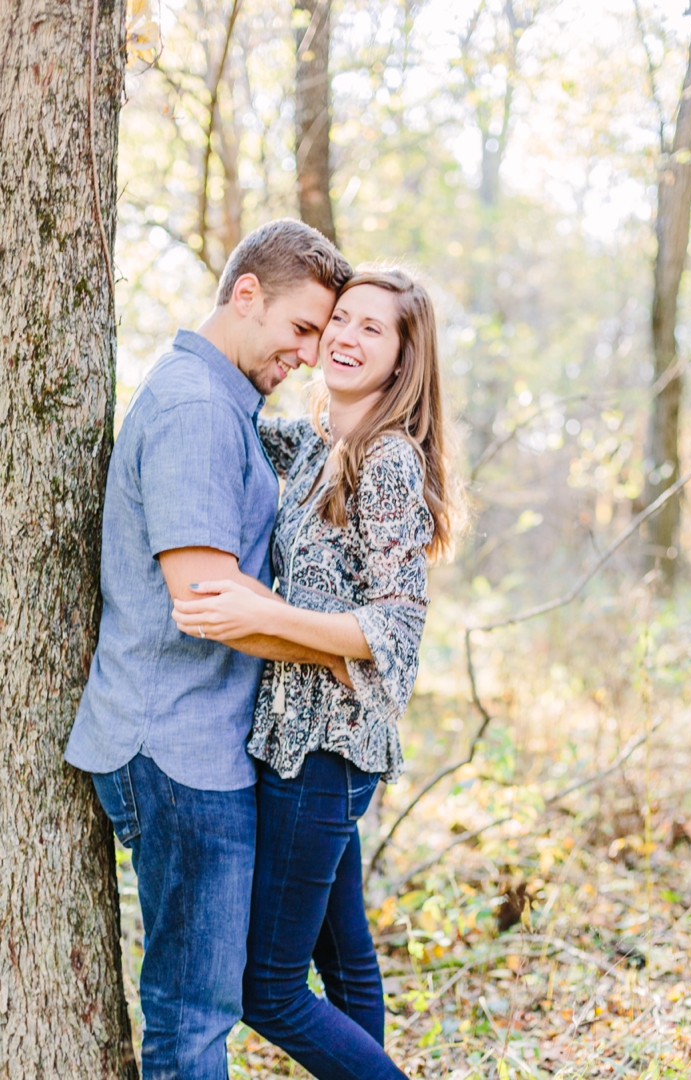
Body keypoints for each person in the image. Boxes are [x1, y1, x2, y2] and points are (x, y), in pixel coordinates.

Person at [64, 219, 353, 1079]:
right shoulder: (195, 407)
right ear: (247, 294)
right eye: (302, 328)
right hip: (178, 749)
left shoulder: (226, 406)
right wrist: (339, 653)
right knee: (193, 1017)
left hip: (202, 743)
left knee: (207, 1005)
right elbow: (204, 604)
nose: (307, 352)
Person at [172, 267, 455, 1080]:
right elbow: (225, 416)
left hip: (323, 753)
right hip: (310, 745)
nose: (345, 336)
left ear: (404, 359)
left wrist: (261, 616)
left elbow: (396, 630)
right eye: (341, 319)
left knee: (268, 990)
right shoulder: (315, 444)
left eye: (373, 329)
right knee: (346, 958)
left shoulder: (389, 461)